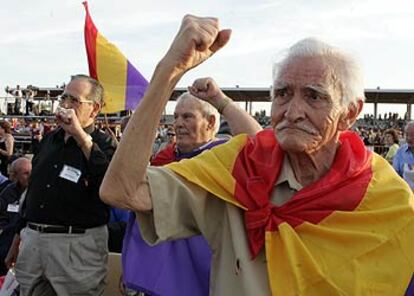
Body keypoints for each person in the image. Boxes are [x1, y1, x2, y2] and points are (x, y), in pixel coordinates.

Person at [101, 16, 414, 295]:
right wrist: (169, 71)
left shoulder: (387, 200)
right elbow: (122, 190)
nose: (293, 112)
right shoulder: (237, 166)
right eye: (282, 94)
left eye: (314, 96)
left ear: (350, 112)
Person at [121, 80, 261, 296]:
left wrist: (221, 101)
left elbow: (261, 145)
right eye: (176, 116)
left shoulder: (226, 156)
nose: (178, 123)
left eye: (187, 117)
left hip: (207, 269)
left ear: (211, 122)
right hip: (163, 277)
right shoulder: (166, 157)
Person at [14, 74, 117, 295]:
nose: (66, 106)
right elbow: (33, 188)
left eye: (74, 100)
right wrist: (18, 236)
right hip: (34, 242)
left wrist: (80, 136)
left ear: (94, 109)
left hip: (76, 248)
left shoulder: (104, 143)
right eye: (64, 98)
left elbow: (109, 180)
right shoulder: (50, 140)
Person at [0, 157, 31, 276]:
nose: (30, 176)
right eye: (25, 173)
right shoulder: (8, 192)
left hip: (29, 240)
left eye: (31, 172)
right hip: (8, 239)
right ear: (15, 176)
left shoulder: (37, 192)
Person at [393, 122, 414, 189]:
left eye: (413, 135)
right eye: (407, 134)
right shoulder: (400, 152)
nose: (409, 138)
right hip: (406, 194)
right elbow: (395, 174)